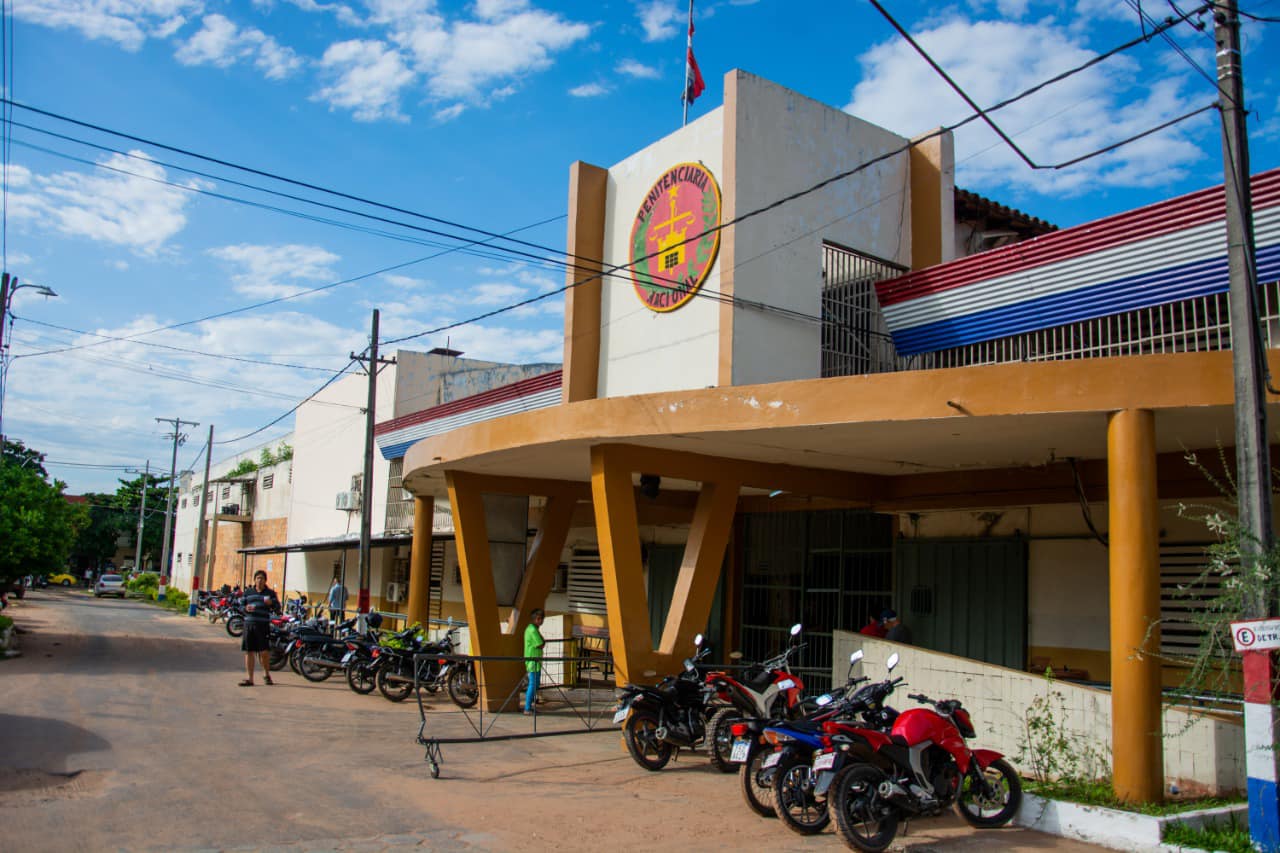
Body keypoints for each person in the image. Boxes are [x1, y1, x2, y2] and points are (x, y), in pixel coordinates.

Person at [239, 569, 280, 686]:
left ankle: (266, 674)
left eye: (262, 578)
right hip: (249, 625)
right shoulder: (248, 592)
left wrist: (271, 603)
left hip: (263, 625)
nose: (260, 580)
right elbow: (241, 606)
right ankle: (249, 678)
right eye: (258, 578)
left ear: (265, 580)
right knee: (249, 651)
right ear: (254, 580)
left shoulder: (270, 593)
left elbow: (277, 607)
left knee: (264, 652)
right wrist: (245, 608)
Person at [523, 608, 545, 715]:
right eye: (539, 619)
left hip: (536, 661)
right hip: (533, 661)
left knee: (535, 684)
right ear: (534, 619)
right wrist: (542, 640)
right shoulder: (532, 630)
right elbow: (541, 644)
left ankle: (529, 705)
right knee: (533, 684)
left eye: (542, 619)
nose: (541, 621)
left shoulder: (533, 629)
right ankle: (527, 707)